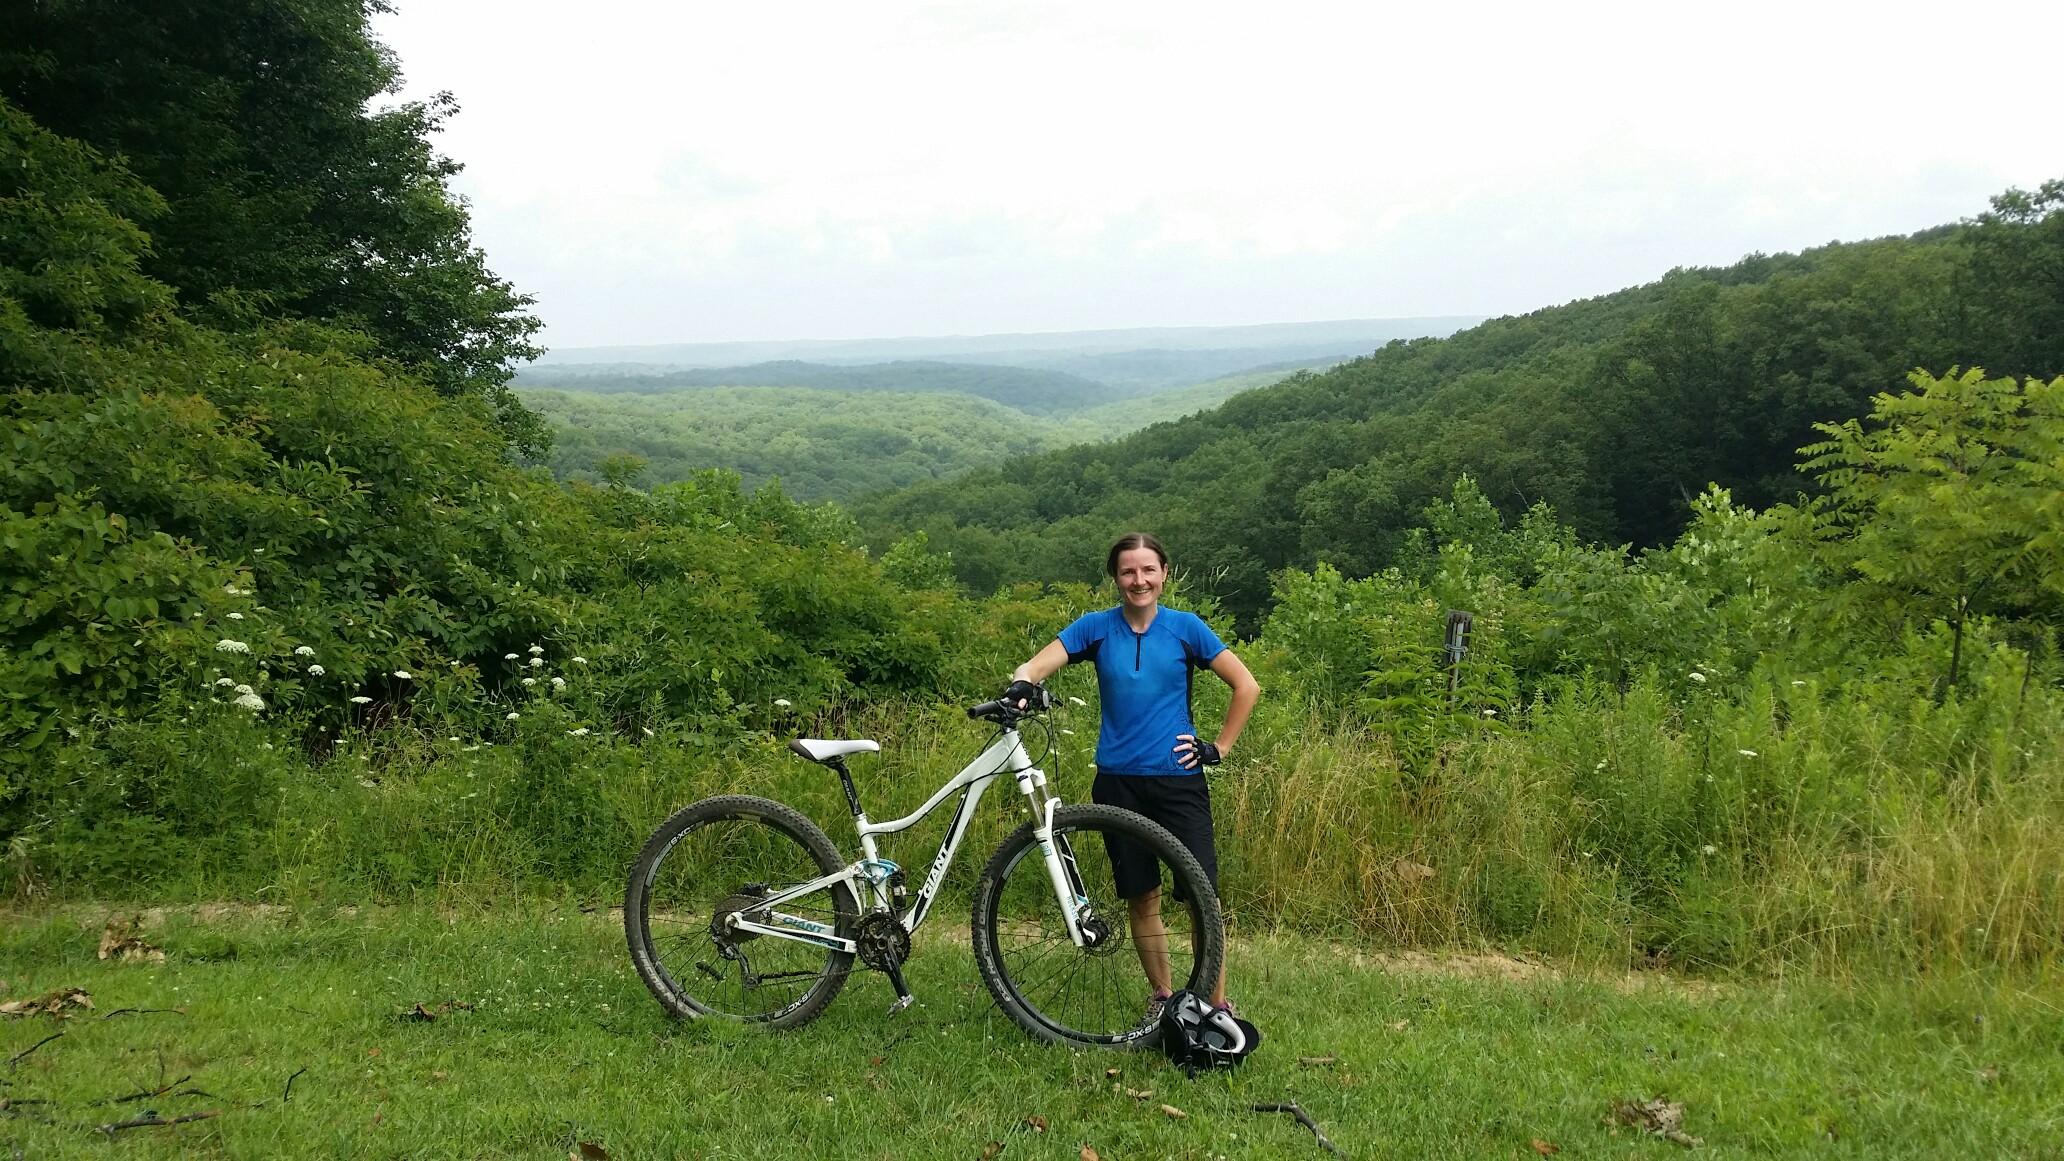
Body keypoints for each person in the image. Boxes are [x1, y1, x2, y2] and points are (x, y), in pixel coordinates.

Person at [1005, 532, 1259, 1014]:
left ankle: (1215, 1005)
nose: (1138, 580)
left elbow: (1246, 685)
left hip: (1178, 781)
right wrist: (1022, 682)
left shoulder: (1186, 628)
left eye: (1148, 570)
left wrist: (1219, 748)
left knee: (1202, 899)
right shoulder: (1095, 628)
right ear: (1115, 578)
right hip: (1117, 784)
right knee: (1142, 896)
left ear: (1164, 574)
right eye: (1127, 571)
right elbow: (1035, 666)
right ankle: (1164, 998)